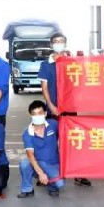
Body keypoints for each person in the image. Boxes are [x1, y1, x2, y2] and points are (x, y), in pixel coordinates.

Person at [38, 33, 91, 187]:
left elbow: (78, 84)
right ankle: (47, 173)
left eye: (61, 41)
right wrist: (51, 105)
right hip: (53, 108)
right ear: (51, 44)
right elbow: (44, 87)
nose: (58, 44)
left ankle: (77, 173)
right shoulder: (45, 64)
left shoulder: (72, 63)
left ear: (65, 44)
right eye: (55, 41)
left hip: (70, 108)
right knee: (50, 141)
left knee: (72, 140)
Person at [17, 100, 65, 198]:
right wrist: (41, 173)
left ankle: (52, 186)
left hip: (53, 164)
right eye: (34, 114)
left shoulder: (53, 124)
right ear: (30, 115)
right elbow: (30, 155)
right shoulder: (27, 133)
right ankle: (27, 189)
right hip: (38, 164)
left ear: (45, 113)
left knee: (59, 183)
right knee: (24, 164)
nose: (37, 116)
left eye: (40, 113)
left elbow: (66, 134)